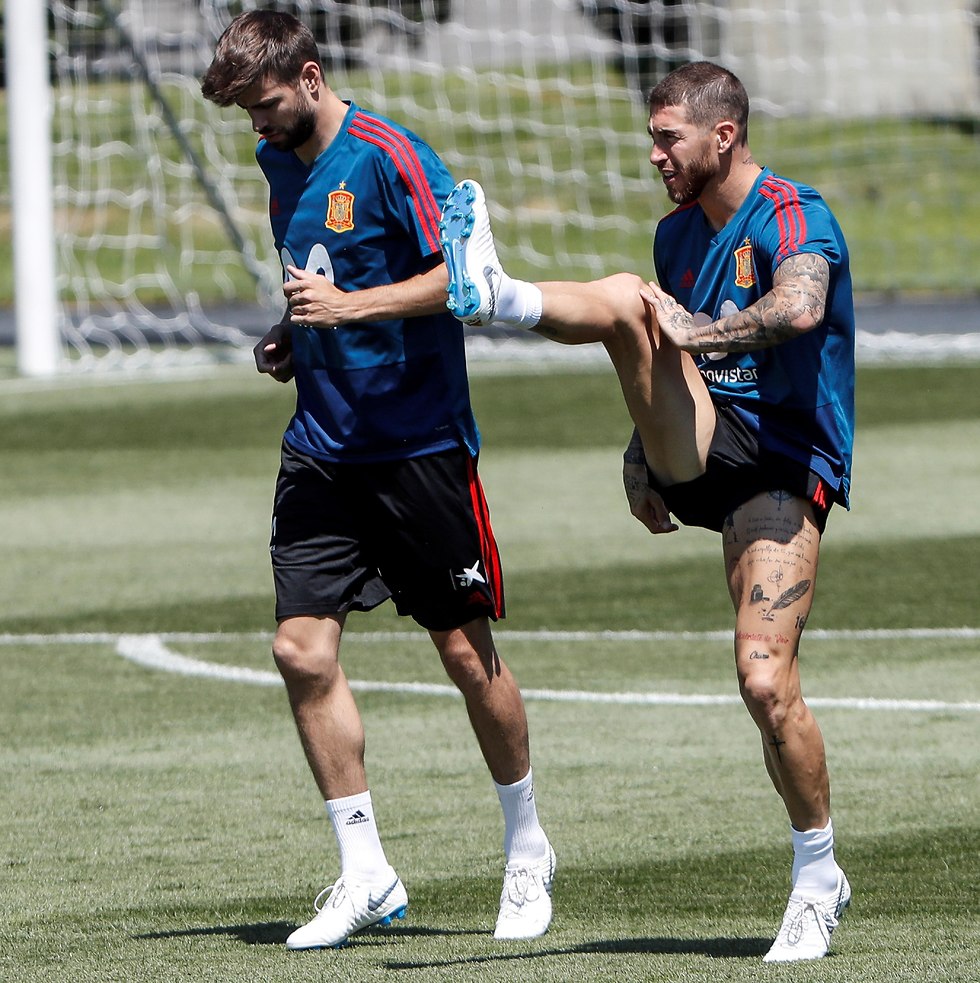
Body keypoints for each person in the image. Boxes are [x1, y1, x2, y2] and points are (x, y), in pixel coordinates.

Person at [439, 61, 853, 963]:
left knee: (764, 683)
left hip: (785, 463)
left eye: (669, 138)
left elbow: (800, 305)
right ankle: (498, 295)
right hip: (704, 440)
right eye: (653, 138)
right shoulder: (678, 234)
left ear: (723, 136)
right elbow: (665, 355)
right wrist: (640, 452)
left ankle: (819, 875)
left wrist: (698, 331)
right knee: (632, 297)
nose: (655, 154)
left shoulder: (791, 212)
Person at [200, 10, 555, 950]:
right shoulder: (279, 161)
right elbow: (318, 277)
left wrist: (349, 307)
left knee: (465, 655)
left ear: (311, 78)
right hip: (322, 447)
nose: (256, 126)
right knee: (299, 651)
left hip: (419, 447)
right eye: (245, 112)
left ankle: (527, 846)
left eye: (264, 105)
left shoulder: (392, 157)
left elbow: (466, 281)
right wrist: (294, 331)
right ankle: (367, 872)